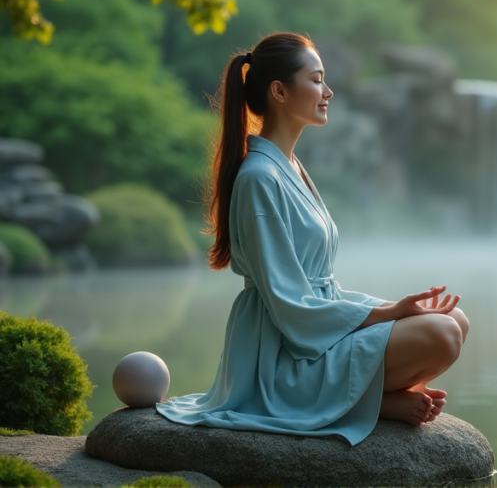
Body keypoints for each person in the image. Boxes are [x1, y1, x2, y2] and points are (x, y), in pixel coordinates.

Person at [155, 32, 469, 445]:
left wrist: (395, 308)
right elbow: (291, 307)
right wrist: (390, 313)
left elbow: (321, 290)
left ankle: (372, 399)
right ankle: (369, 402)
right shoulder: (259, 178)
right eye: (317, 80)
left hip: (314, 329)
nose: (329, 91)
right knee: (440, 333)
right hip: (285, 352)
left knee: (453, 321)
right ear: (280, 91)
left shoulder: (290, 166)